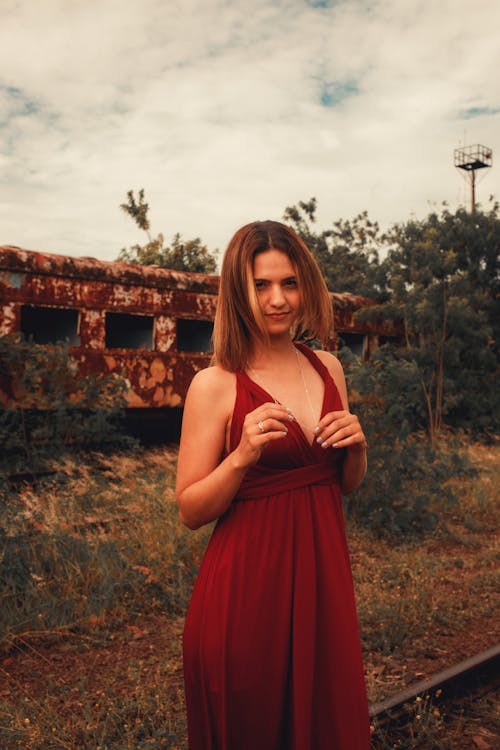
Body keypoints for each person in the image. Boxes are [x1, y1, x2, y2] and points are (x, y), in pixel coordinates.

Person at [176, 220, 371, 750]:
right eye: (261, 285)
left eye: (289, 283)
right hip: (245, 598)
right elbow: (191, 509)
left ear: (305, 285)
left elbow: (343, 485)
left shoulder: (328, 367)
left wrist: (358, 446)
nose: (277, 299)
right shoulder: (215, 384)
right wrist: (240, 457)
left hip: (322, 587)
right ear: (238, 292)